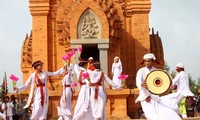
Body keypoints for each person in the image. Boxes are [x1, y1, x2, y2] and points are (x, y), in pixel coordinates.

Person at [135, 53, 181, 120]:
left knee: (164, 113)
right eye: (145, 61)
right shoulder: (141, 71)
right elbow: (138, 81)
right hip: (144, 96)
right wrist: (141, 84)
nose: (147, 63)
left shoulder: (157, 71)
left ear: (153, 62)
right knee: (149, 115)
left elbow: (165, 81)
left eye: (149, 61)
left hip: (155, 97)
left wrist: (168, 82)